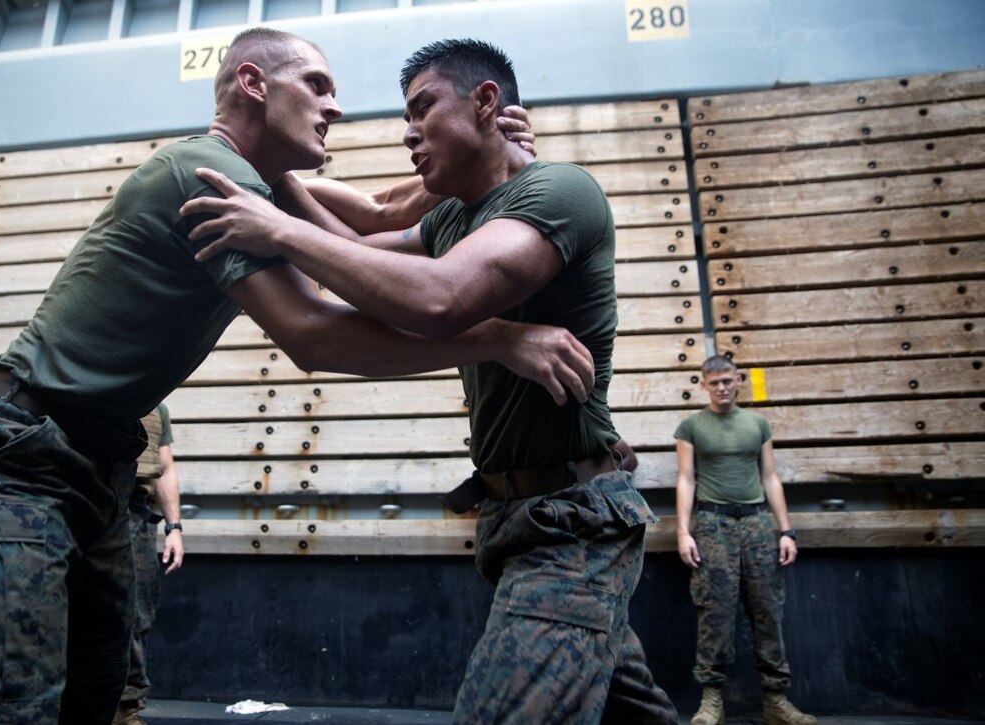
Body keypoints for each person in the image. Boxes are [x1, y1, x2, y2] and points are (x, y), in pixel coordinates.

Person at [0, 28, 597, 724]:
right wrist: (500, 339)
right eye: (317, 86)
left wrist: (487, 155)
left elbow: (366, 228)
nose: (336, 107)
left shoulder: (261, 189)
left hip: (92, 466)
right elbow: (313, 332)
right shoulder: (209, 175)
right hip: (11, 454)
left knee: (101, 700)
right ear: (256, 85)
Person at [180, 37, 677, 725]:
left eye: (421, 110)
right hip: (517, 520)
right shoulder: (450, 218)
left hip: (573, 522)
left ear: (486, 102)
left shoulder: (559, 191)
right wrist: (270, 174)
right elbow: (355, 258)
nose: (408, 132)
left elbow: (440, 299)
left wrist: (279, 228)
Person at [674, 355, 817, 725]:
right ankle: (711, 702)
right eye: (714, 382)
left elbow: (770, 477)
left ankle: (776, 700)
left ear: (738, 380)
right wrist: (683, 532)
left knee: (767, 609)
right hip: (711, 523)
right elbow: (686, 479)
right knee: (716, 611)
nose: (722, 388)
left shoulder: (757, 424)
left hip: (756, 524)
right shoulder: (691, 426)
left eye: (727, 381)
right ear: (703, 384)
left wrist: (785, 530)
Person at [114, 403, 182, 725]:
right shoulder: (89, 382)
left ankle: (125, 710)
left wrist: (174, 528)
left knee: (137, 613)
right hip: (89, 509)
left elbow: (165, 468)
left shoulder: (157, 407)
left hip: (135, 516)